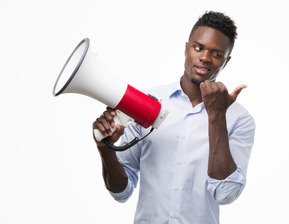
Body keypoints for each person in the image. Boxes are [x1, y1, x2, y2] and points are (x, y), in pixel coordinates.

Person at [92, 11, 255, 223]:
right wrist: (106, 150)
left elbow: (226, 194)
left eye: (216, 54)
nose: (204, 58)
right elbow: (121, 192)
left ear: (226, 61)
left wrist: (216, 116)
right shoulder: (147, 103)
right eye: (198, 48)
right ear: (186, 48)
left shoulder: (239, 119)